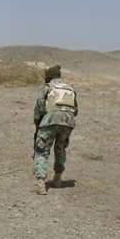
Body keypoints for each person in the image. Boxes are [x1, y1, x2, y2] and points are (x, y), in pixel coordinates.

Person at [33, 65, 78, 195]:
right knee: (60, 148)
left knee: (42, 151)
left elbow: (39, 109)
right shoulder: (70, 88)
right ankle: (58, 179)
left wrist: (38, 124)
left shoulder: (47, 88)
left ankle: (41, 184)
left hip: (50, 121)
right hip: (68, 122)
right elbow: (76, 110)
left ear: (49, 77)